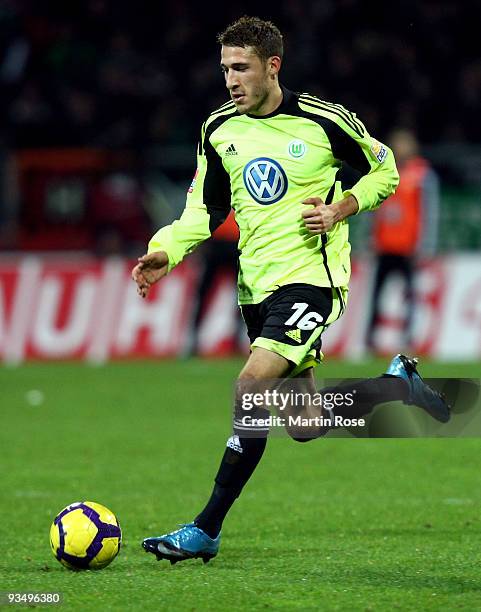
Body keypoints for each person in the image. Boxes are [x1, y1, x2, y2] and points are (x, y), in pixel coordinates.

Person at [132, 16, 449, 565]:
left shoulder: (323, 121)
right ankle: (397, 387)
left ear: (272, 67)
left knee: (250, 390)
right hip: (256, 287)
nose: (231, 80)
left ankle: (206, 527)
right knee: (304, 425)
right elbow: (203, 211)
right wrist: (167, 249)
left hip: (313, 281)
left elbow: (385, 169)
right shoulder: (219, 130)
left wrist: (342, 206)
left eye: (242, 68)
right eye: (225, 68)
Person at [366, 128, 440, 353]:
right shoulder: (383, 171)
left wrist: (425, 244)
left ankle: (408, 339)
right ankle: (370, 340)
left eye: (404, 144)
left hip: (408, 247)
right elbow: (372, 204)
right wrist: (370, 237)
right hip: (384, 246)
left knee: (410, 296)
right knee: (377, 295)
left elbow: (429, 211)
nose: (400, 149)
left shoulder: (422, 175)